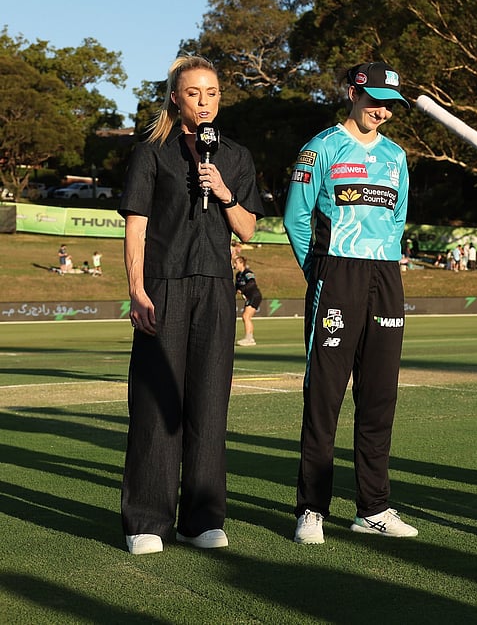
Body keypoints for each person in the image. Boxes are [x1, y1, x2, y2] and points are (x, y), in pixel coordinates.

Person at [118, 55, 263, 556]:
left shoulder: (237, 156)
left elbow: (247, 227)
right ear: (176, 98)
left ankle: (201, 519)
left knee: (208, 403)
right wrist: (136, 289)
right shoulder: (151, 153)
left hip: (217, 287)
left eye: (213, 93)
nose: (205, 102)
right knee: (157, 404)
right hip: (163, 284)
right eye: (195, 93)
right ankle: (147, 521)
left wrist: (223, 191)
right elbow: (135, 223)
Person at [283, 61, 418, 545]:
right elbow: (297, 220)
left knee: (379, 397)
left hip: (385, 274)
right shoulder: (319, 149)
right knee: (324, 398)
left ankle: (373, 507)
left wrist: (385, 264)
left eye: (391, 105)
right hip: (335, 272)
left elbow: (398, 219)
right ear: (353, 93)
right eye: (375, 101)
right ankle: (312, 508)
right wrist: (318, 272)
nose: (382, 112)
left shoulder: (397, 157)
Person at [233, 255, 262, 346]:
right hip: (249, 297)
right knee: (245, 317)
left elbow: (252, 283)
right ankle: (249, 338)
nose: (235, 264)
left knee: (246, 316)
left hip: (254, 296)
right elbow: (236, 288)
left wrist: (242, 290)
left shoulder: (247, 273)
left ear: (242, 263)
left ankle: (249, 338)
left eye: (236, 263)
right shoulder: (238, 275)